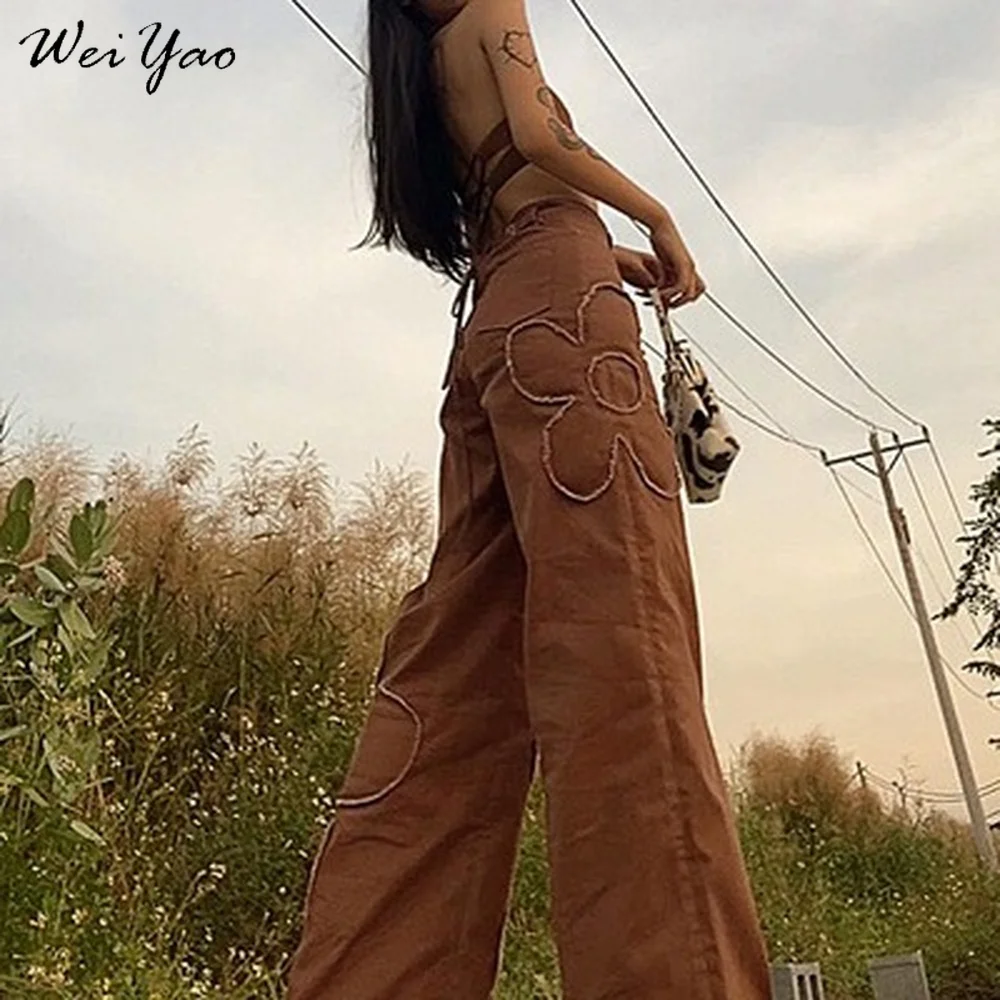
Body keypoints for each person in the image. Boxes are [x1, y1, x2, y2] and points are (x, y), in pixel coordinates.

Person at [286, 0, 772, 997]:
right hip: (563, 317)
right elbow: (546, 136)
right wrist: (655, 216)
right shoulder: (491, 9)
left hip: (495, 319)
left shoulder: (417, 63)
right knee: (625, 654)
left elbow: (517, 187)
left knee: (452, 675)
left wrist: (601, 247)